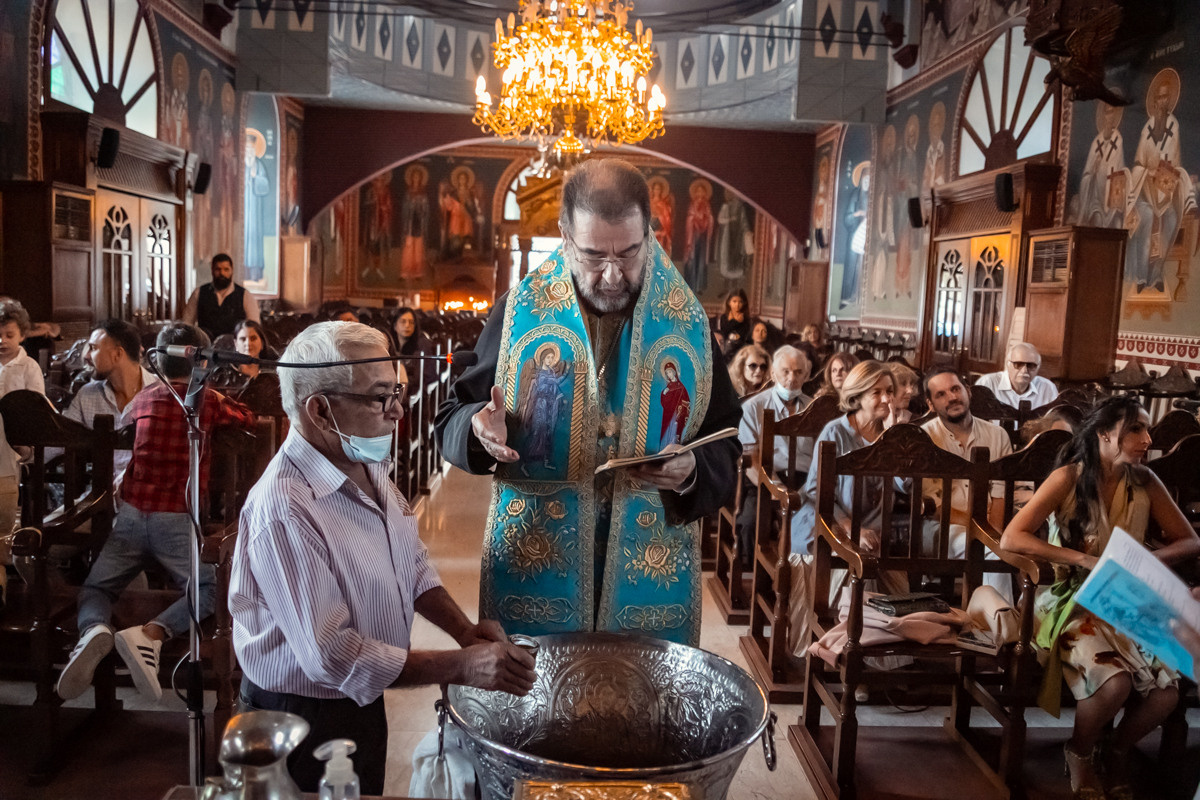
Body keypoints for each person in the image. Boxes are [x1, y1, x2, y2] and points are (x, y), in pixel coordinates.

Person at [435, 158, 741, 647]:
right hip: (539, 557)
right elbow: (450, 420)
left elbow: (726, 443)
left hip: (648, 564)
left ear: (649, 232)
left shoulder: (687, 323)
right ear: (564, 236)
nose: (614, 275)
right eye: (595, 256)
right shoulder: (520, 314)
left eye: (630, 253)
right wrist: (477, 429)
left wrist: (693, 470)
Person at [230, 322, 534, 794]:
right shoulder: (286, 508)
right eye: (379, 398)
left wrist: (464, 632)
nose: (397, 411)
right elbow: (333, 655)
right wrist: (461, 666)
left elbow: (409, 566)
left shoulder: (366, 465)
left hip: (361, 700)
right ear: (320, 410)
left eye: (397, 391)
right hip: (297, 717)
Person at [1000, 397, 1199, 800]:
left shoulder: (1145, 481)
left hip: (1125, 596)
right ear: (1105, 435)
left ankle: (1119, 750)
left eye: (1146, 430)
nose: (1147, 439)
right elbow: (1012, 538)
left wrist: (1143, 559)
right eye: (1135, 431)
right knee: (1115, 683)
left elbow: (1190, 540)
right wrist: (1083, 558)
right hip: (1069, 598)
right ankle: (1080, 752)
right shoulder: (1068, 478)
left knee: (1167, 693)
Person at [57, 324, 258, 704]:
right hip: (176, 520)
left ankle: (94, 629)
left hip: (131, 514)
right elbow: (246, 418)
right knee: (214, 588)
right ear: (202, 363)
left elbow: (127, 431)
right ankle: (151, 634)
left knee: (97, 587)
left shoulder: (145, 397)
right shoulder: (205, 400)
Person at [920, 368, 1014, 596]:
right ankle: (1001, 625)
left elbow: (1000, 493)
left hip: (990, 525)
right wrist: (982, 530)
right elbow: (933, 508)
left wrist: (993, 532)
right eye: (941, 394)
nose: (952, 397)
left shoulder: (997, 434)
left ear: (968, 391)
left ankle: (996, 619)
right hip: (940, 528)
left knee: (1007, 547)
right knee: (994, 550)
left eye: (955, 389)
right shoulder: (923, 438)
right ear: (930, 404)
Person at [736, 346, 814, 567]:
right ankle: (758, 577)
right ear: (773, 374)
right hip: (764, 478)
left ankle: (798, 578)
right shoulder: (754, 407)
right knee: (752, 523)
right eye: (786, 371)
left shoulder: (812, 408)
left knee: (820, 523)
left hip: (805, 481)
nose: (792, 378)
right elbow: (751, 458)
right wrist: (777, 489)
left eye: (799, 372)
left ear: (806, 375)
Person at [63, 319, 159, 479]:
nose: (86, 356)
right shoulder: (87, 395)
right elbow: (59, 438)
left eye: (93, 348)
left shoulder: (161, 393)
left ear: (117, 354)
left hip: (146, 496)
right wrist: (23, 451)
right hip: (102, 496)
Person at [0, 299, 46, 606]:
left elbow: (38, 409)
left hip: (15, 447)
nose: (2, 341)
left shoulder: (28, 366)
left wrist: (26, 443)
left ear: (22, 335)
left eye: (8, 335)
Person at [183, 253, 261, 339]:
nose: (222, 273)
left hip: (234, 349)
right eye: (218, 269)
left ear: (232, 271)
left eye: (226, 269)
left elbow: (254, 327)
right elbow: (187, 324)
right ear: (212, 270)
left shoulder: (245, 295)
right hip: (206, 348)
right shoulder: (198, 293)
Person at [975, 342, 1058, 409]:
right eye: (1018, 364)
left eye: (1031, 365)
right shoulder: (987, 383)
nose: (1024, 370)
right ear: (1008, 364)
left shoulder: (1048, 388)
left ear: (1038, 367)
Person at [714, 289, 751, 358]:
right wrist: (735, 321)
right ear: (729, 302)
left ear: (744, 303)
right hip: (725, 349)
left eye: (740, 302)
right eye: (734, 301)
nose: (737, 305)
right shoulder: (724, 317)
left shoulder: (746, 318)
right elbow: (724, 333)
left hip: (740, 350)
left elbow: (742, 336)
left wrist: (737, 322)